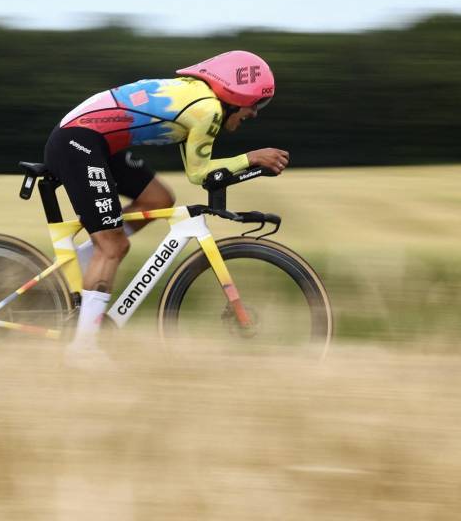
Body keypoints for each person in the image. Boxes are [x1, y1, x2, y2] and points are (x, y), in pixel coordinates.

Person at [43, 50, 289, 366]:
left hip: (98, 143)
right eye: (256, 103)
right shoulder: (207, 109)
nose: (255, 113)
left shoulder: (201, 100)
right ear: (236, 93)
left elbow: (199, 170)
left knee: (159, 200)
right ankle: (83, 349)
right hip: (78, 141)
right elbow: (200, 174)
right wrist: (251, 158)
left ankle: (90, 254)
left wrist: (247, 164)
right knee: (114, 246)